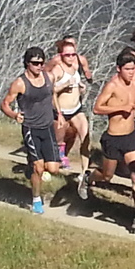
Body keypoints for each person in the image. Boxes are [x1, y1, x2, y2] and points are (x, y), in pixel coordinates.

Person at [86, 48, 135, 210]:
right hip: (113, 138)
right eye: (127, 69)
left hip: (130, 137)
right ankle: (89, 178)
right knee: (107, 175)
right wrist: (120, 108)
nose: (131, 73)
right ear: (119, 69)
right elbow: (97, 108)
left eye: (133, 69)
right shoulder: (112, 86)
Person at [0, 48, 63, 214]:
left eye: (41, 63)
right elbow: (4, 104)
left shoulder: (49, 77)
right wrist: (14, 115)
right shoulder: (20, 83)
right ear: (27, 63)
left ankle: (30, 169)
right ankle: (36, 201)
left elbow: (53, 95)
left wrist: (60, 114)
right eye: (35, 63)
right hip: (30, 128)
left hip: (48, 127)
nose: (39, 66)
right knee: (38, 168)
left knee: (54, 168)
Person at [50, 37, 93, 186]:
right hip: (60, 111)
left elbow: (78, 80)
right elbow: (51, 89)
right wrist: (64, 85)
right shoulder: (57, 68)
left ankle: (84, 173)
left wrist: (81, 86)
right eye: (67, 55)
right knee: (56, 143)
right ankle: (44, 167)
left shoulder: (75, 66)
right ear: (61, 55)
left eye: (73, 54)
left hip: (76, 110)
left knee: (85, 136)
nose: (71, 57)